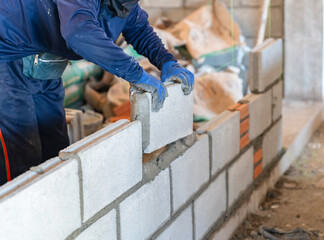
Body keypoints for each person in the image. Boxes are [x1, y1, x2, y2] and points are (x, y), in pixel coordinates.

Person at [0, 0, 194, 185]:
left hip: (42, 62)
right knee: (22, 151)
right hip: (7, 55)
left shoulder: (123, 5)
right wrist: (137, 74)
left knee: (55, 146)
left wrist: (167, 61)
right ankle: (16, 215)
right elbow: (79, 31)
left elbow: (139, 29)